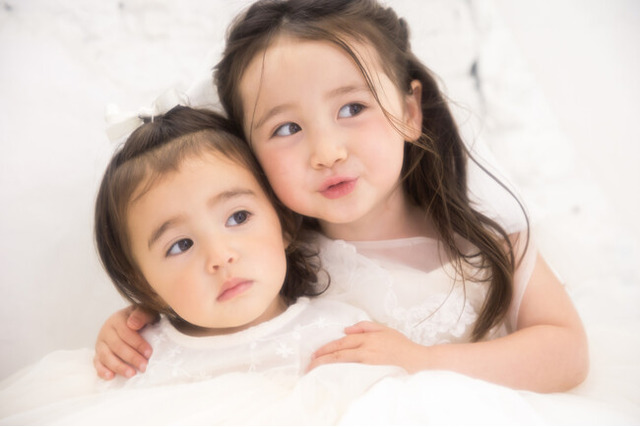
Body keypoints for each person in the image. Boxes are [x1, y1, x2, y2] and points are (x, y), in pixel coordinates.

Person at [94, 0, 588, 393]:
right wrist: (141, 326)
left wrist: (422, 362)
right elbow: (222, 328)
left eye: (352, 108)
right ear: (251, 154)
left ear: (409, 112)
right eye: (286, 128)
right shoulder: (272, 256)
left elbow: (567, 353)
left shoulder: (488, 244)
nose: (327, 152)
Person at [92, 105, 369, 386]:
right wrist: (120, 340)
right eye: (181, 245)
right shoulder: (138, 354)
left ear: (283, 222)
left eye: (238, 217)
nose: (220, 256)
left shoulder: (345, 332)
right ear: (144, 283)